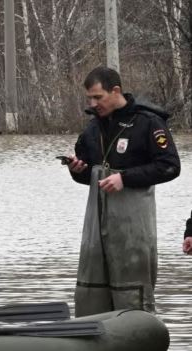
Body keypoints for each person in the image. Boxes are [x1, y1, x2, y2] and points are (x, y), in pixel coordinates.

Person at [64, 67, 180, 315]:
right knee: (91, 294)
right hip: (97, 229)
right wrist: (77, 169)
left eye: (98, 97)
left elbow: (170, 167)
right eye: (90, 99)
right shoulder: (92, 130)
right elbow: (87, 176)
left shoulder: (148, 123)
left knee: (131, 296)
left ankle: (137, 335)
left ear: (115, 91)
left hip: (133, 230)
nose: (93, 104)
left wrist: (125, 178)